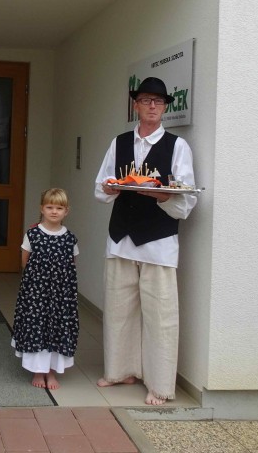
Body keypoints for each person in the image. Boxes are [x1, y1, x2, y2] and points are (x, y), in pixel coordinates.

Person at [94, 76, 197, 405]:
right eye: (146, 100)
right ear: (135, 105)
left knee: (160, 316)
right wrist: (111, 188)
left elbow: (186, 199)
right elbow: (101, 186)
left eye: (158, 101)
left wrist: (160, 195)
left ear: (165, 107)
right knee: (118, 310)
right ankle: (120, 370)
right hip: (121, 237)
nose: (152, 106)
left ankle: (160, 384)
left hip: (158, 241)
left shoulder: (177, 146)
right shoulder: (119, 142)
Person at [11, 188, 79, 390]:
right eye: (50, 207)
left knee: (57, 327)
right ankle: (38, 371)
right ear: (42, 209)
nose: (54, 211)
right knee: (37, 326)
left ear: (66, 211)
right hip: (36, 293)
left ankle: (51, 371)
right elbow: (25, 261)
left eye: (59, 208)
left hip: (61, 295)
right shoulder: (32, 234)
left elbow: (71, 264)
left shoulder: (70, 238)